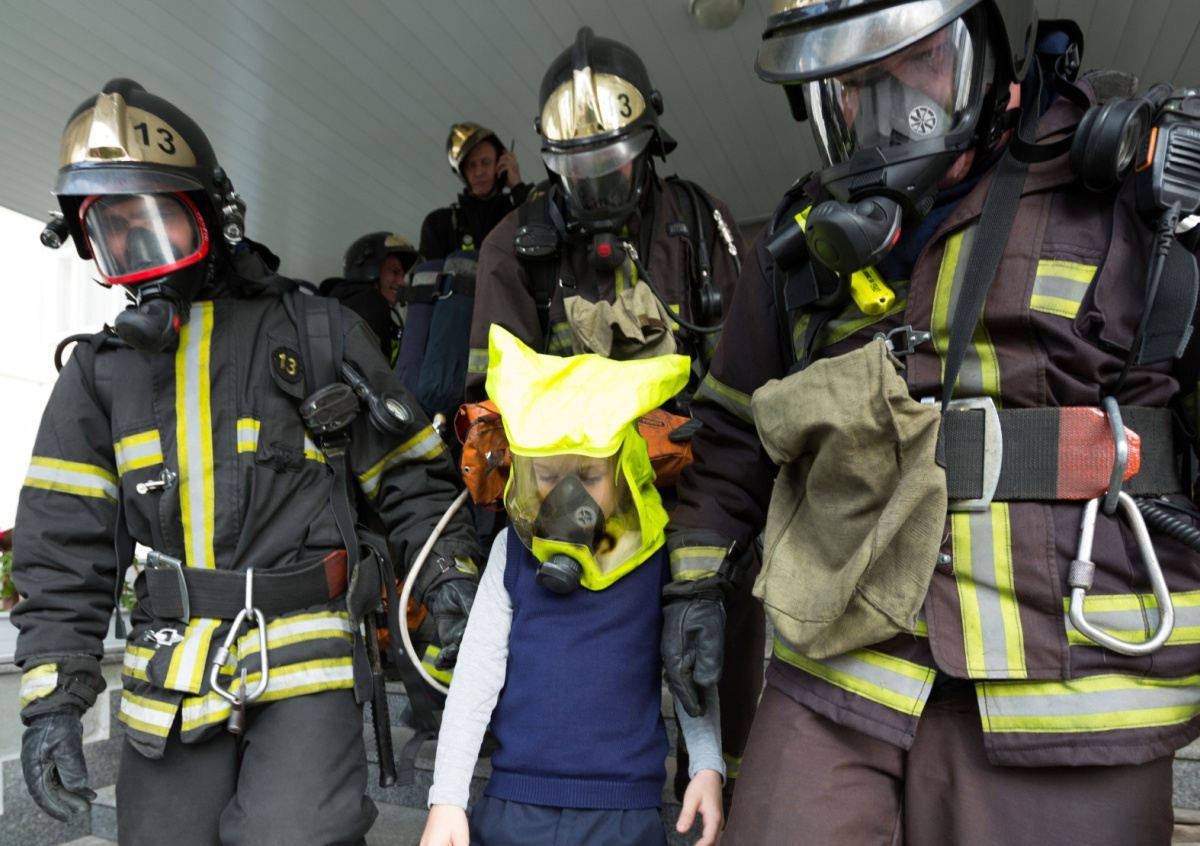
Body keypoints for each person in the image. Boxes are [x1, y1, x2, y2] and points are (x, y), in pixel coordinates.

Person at [666, 0, 1200, 843]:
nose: (884, 107)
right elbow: (733, 431)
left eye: (914, 61)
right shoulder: (803, 243)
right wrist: (697, 585)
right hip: (841, 657)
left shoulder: (1143, 186)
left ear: (988, 46)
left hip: (1075, 676)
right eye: (851, 81)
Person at [12, 78, 480, 845]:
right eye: (115, 235)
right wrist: (54, 702)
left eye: (156, 225)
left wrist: (449, 584)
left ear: (212, 215)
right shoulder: (100, 375)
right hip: (172, 672)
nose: (141, 253)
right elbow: (64, 543)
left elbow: (409, 479)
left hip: (305, 658)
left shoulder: (319, 334)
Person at [465, 27, 759, 808]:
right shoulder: (512, 248)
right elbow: (493, 415)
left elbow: (742, 396)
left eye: (613, 165)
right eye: (576, 170)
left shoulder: (701, 227)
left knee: (723, 652)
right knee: (581, 689)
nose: (596, 188)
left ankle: (717, 792)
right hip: (568, 510)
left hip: (696, 496)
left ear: (650, 142)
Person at [420, 326, 723, 846]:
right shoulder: (512, 551)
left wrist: (707, 765)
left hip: (625, 813)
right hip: (514, 804)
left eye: (588, 474)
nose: (566, 494)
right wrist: (447, 797)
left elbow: (690, 667)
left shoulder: (659, 554)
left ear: (623, 469)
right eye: (547, 475)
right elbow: (474, 678)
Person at [419, 123, 532, 260]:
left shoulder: (518, 216)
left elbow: (543, 230)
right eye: (471, 165)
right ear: (463, 173)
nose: (479, 172)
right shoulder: (440, 224)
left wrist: (518, 187)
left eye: (486, 162)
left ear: (500, 163)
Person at [326, 231, 420, 366]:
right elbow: (368, 370)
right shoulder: (370, 301)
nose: (402, 283)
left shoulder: (342, 302)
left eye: (403, 276)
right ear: (370, 269)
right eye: (395, 272)